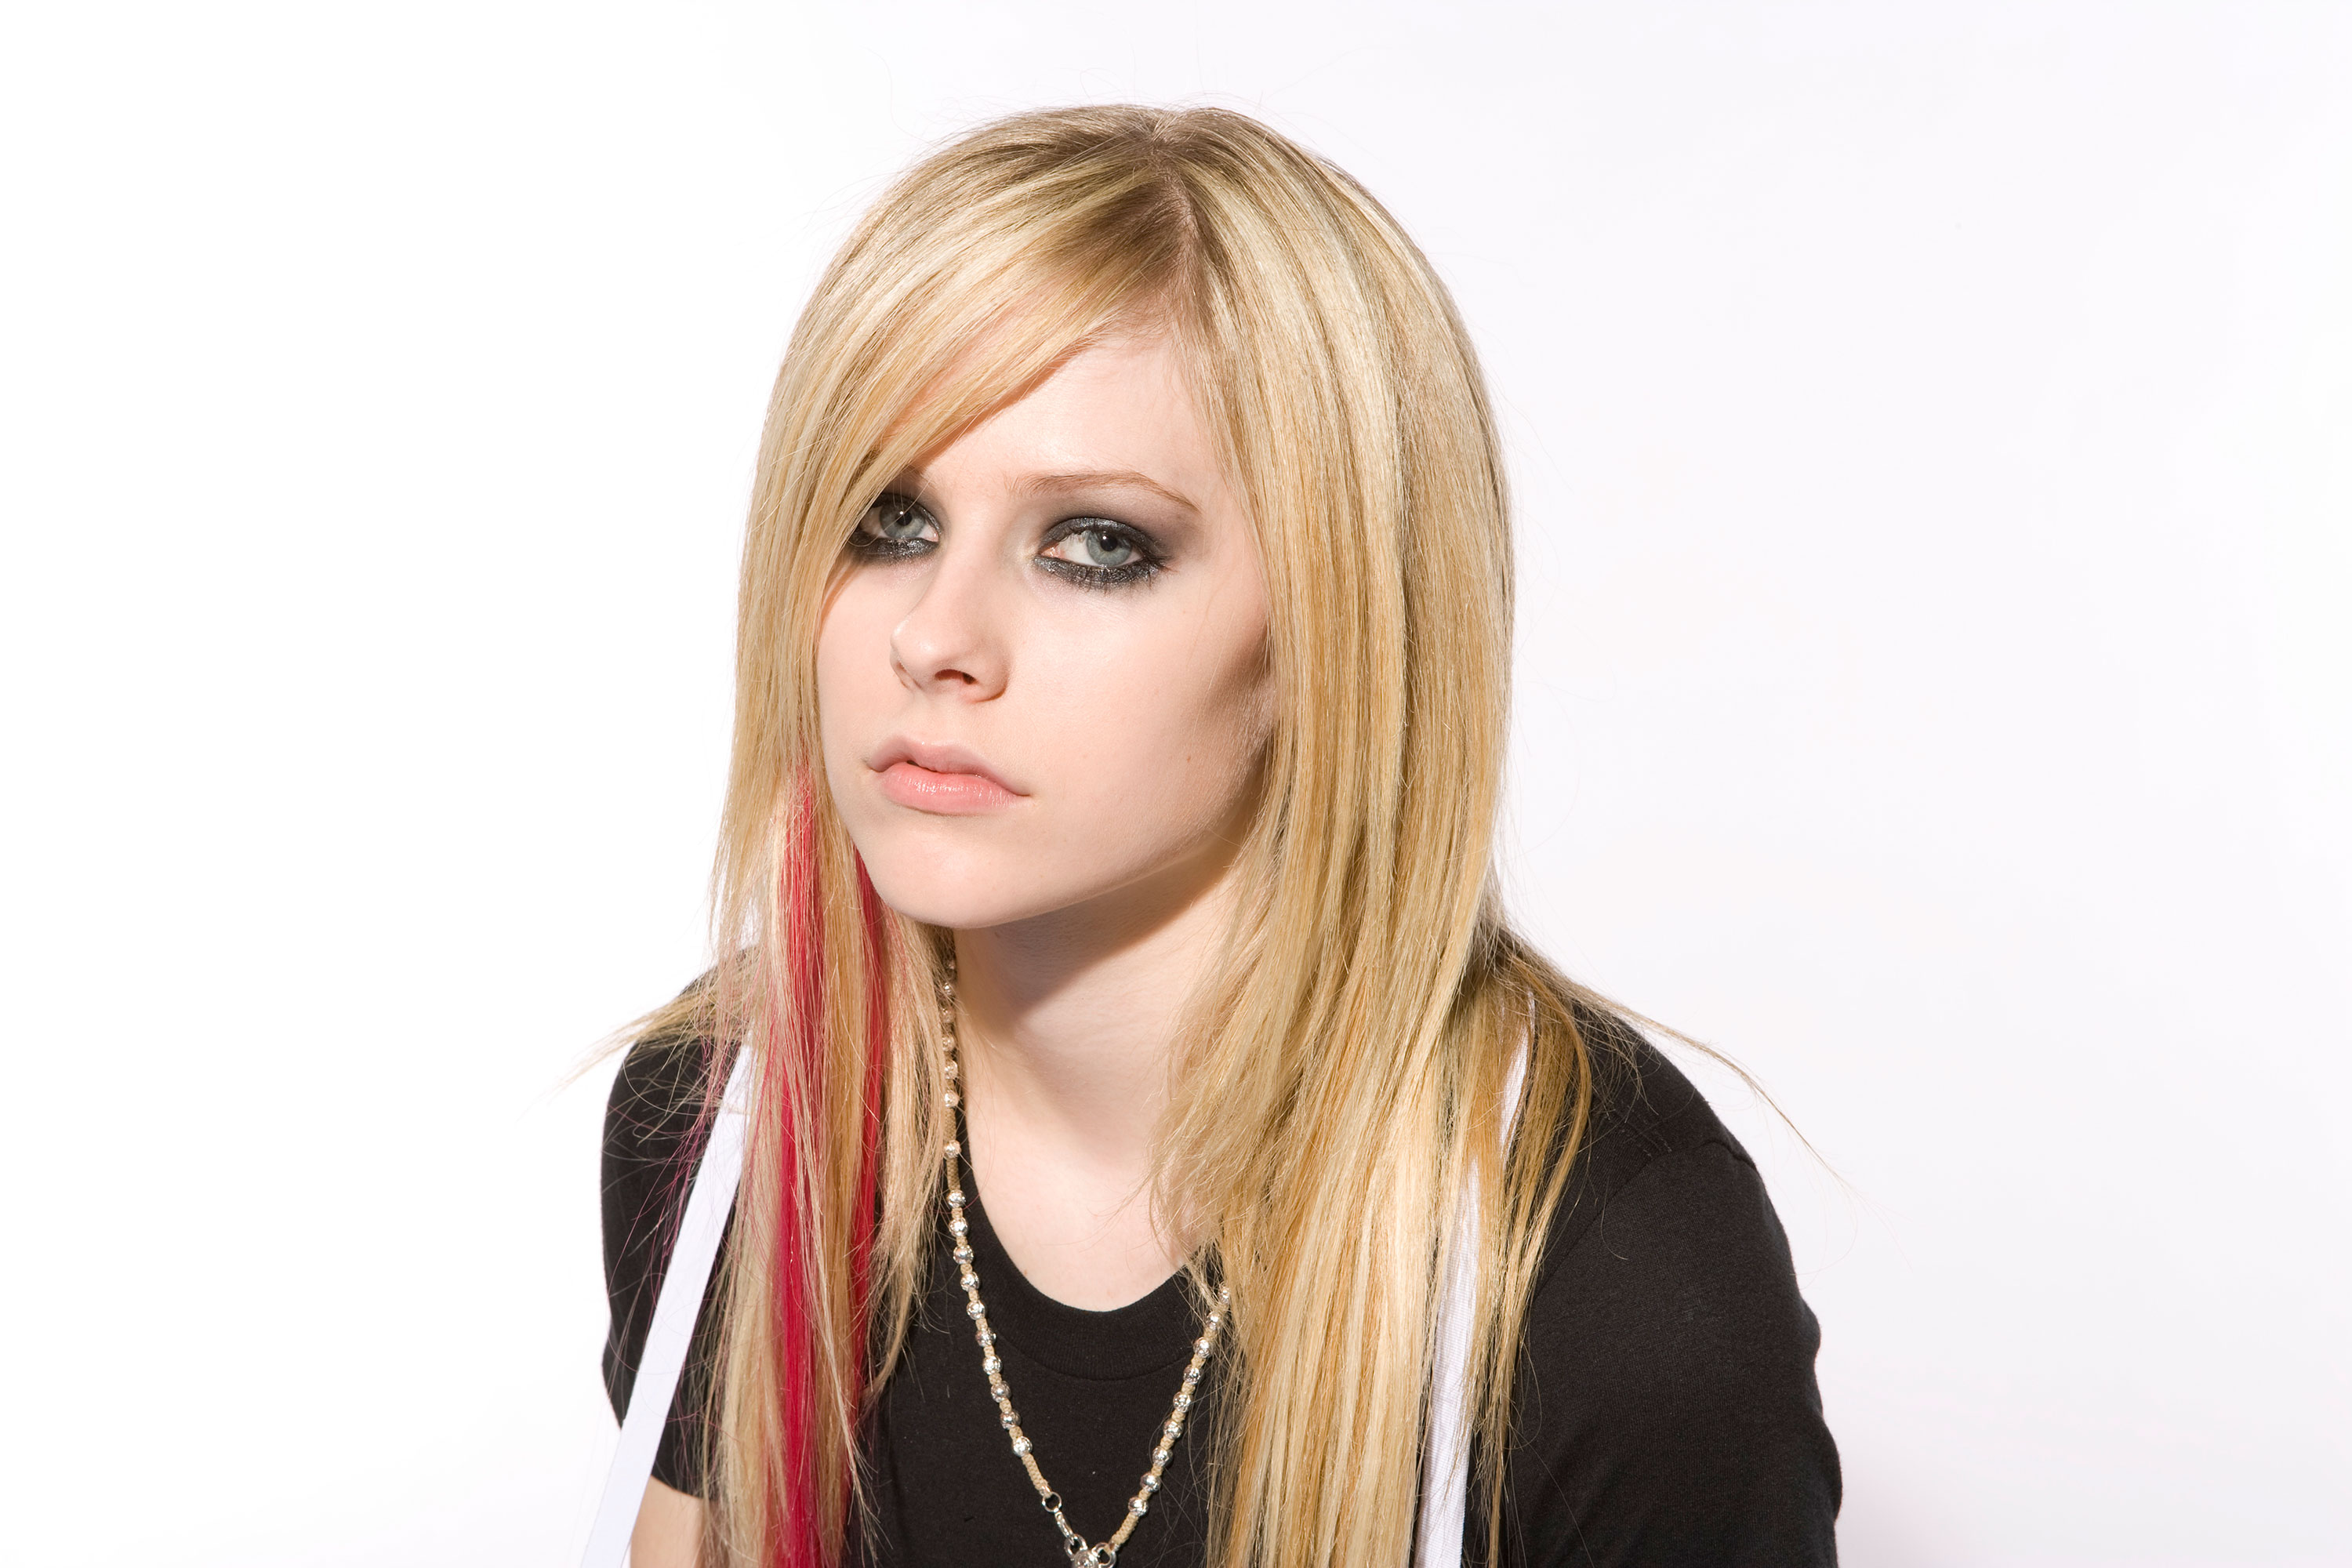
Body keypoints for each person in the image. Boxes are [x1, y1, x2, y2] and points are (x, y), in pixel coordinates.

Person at [600, 104, 1839, 1567]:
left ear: (1334, 628)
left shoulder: (1608, 1268)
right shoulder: (729, 1130)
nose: (935, 637)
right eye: (889, 520)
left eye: (1096, 545)